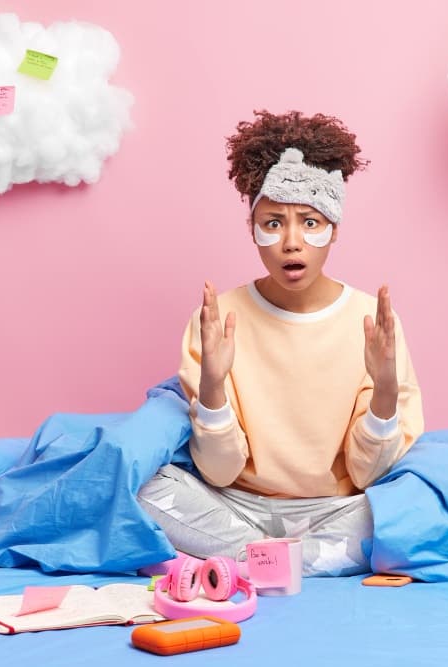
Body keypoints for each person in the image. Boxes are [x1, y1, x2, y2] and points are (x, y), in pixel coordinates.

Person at [138, 110, 424, 576]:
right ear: (253, 229)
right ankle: (292, 562)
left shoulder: (373, 321)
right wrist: (212, 385)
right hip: (233, 505)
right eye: (273, 223)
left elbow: (371, 476)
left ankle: (254, 563)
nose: (292, 242)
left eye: (310, 222)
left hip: (335, 510)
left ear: (335, 229)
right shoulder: (216, 320)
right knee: (147, 487)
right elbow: (218, 473)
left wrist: (386, 394)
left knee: (410, 503)